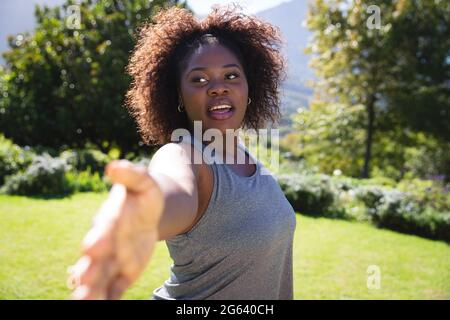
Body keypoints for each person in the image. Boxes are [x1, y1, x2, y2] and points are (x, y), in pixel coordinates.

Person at [67, 4, 297, 300]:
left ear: (250, 87)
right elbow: (173, 187)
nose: (217, 88)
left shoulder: (247, 158)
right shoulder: (184, 154)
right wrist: (145, 214)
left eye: (231, 76)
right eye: (199, 79)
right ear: (178, 95)